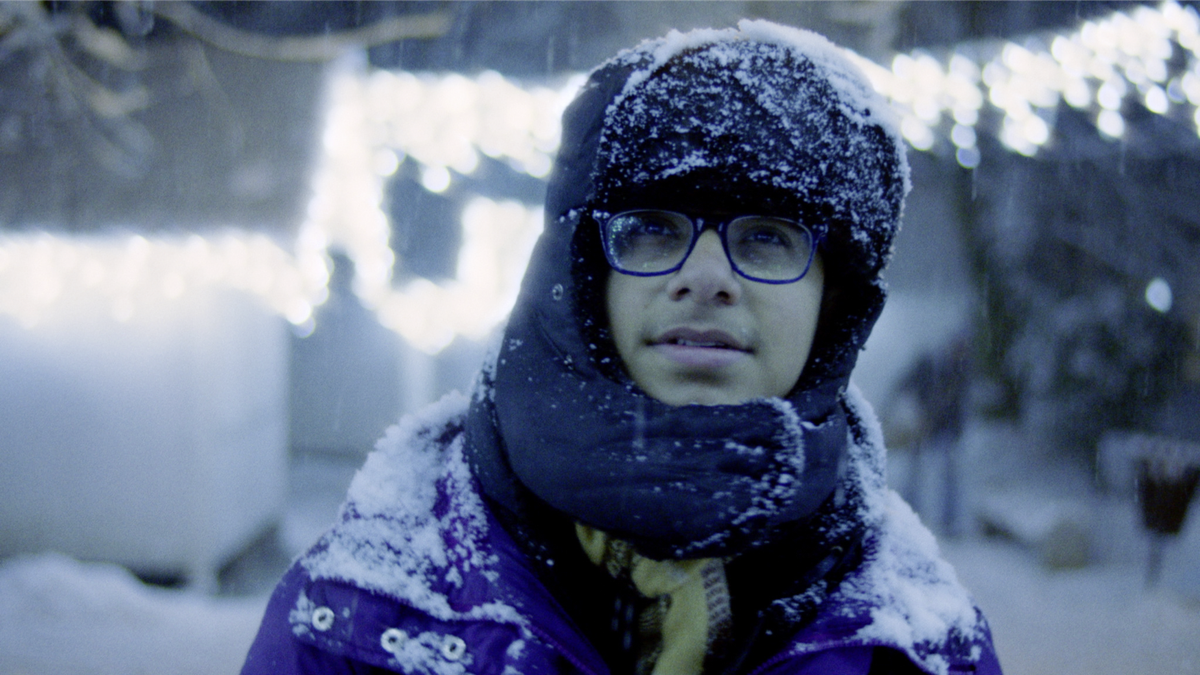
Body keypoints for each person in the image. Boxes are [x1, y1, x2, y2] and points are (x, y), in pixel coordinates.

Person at [241, 21, 1002, 675]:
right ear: (583, 279)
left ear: (834, 304)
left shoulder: (925, 649)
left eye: (767, 238)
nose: (707, 278)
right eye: (653, 229)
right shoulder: (359, 611)